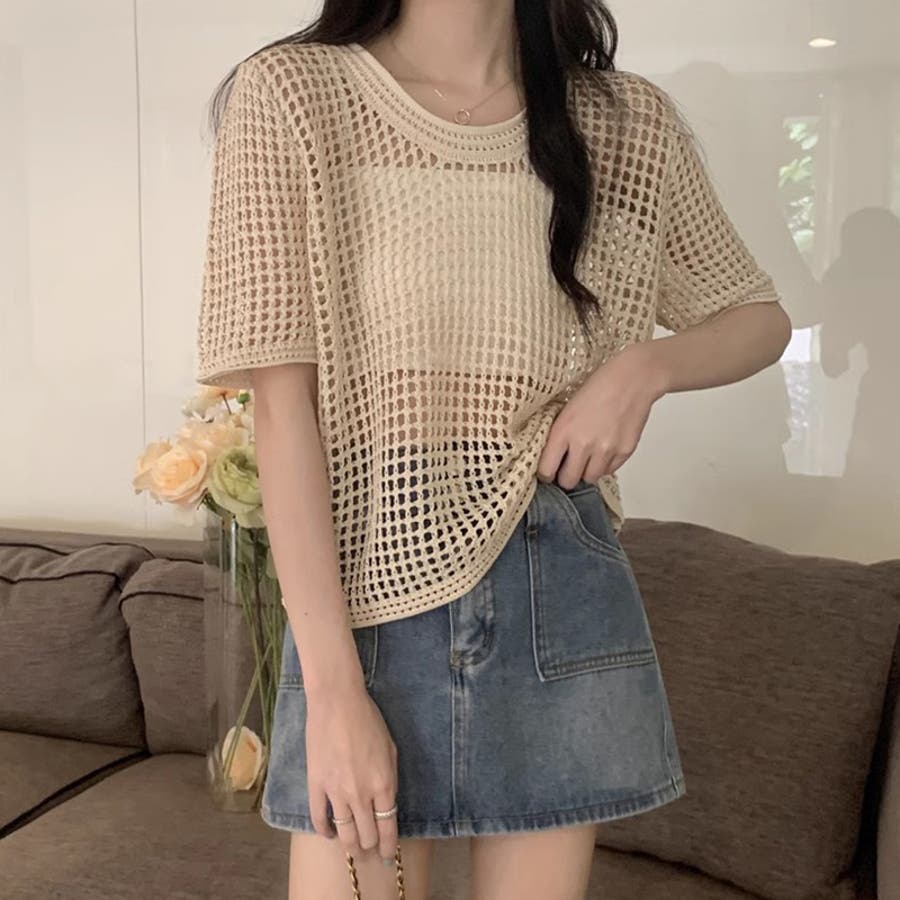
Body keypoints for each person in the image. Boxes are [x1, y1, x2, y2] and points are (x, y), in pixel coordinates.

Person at [194, 2, 792, 898]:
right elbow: (286, 414)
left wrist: (643, 369)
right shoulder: (293, 95)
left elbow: (758, 317)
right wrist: (333, 692)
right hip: (371, 588)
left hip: (559, 571)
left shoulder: (625, 122)